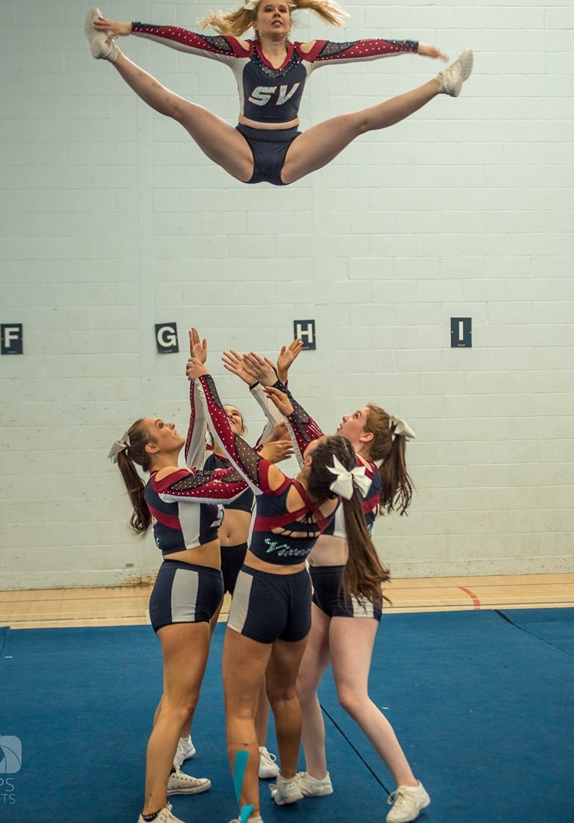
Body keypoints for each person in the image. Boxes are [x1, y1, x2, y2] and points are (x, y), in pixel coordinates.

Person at [185, 353, 391, 823]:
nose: (305, 443)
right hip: (299, 596)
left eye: (309, 447)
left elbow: (226, 437)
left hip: (260, 592)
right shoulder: (331, 500)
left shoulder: (276, 486)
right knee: (285, 696)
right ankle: (289, 780)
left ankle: (248, 813)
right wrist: (278, 391)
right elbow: (311, 438)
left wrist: (205, 380)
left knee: (240, 710)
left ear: (310, 462)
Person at [240, 351, 429, 823]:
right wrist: (271, 387)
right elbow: (307, 439)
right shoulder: (339, 464)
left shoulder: (363, 474)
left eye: (356, 415)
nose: (346, 415)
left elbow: (309, 438)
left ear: (365, 437)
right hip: (318, 586)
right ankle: (318, 774)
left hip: (353, 587)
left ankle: (410, 786)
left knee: (351, 695)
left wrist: (280, 391)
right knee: (300, 685)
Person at [83, 0, 473, 186]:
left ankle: (444, 82)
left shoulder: (308, 53)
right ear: (255, 23)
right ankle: (110, 53)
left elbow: (361, 48)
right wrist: (131, 28)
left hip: (291, 151)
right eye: (268, 10)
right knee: (180, 109)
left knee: (359, 122)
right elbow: (185, 39)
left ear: (289, 21)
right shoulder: (239, 51)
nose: (276, 14)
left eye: (283, 10)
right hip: (244, 148)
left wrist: (412, 47)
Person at [109, 413, 252, 823]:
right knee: (177, 703)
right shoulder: (168, 479)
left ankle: (167, 776)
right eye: (160, 425)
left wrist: (200, 380)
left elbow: (203, 432)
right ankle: (153, 811)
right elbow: (233, 485)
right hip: (184, 587)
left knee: (179, 696)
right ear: (151, 448)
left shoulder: (180, 473)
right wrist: (264, 457)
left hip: (201, 584)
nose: (170, 424)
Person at [179, 329, 297, 780]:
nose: (230, 418)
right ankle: (183, 737)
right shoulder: (199, 461)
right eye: (224, 415)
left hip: (247, 562)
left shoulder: (253, 459)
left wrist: (273, 382)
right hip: (210, 561)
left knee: (258, 661)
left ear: (244, 431)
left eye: (236, 417)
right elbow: (200, 420)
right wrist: (198, 378)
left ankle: (260, 747)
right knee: (196, 656)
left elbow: (278, 422)